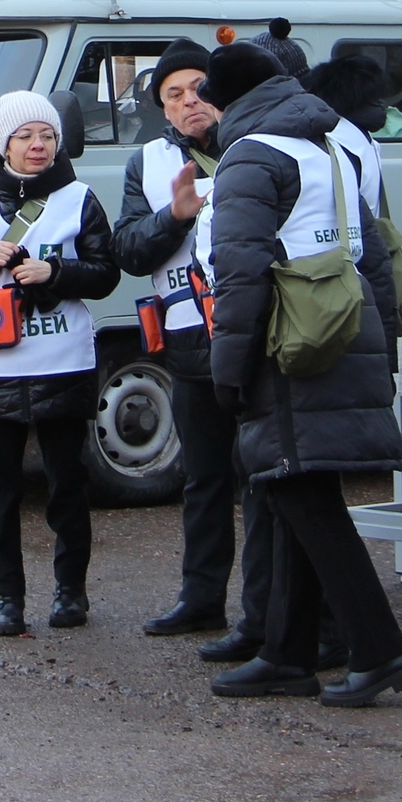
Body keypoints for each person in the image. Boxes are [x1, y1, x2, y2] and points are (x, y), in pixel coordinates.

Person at [202, 42, 402, 707]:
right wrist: (381, 350)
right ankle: (286, 653)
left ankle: (381, 650)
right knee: (293, 485)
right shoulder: (330, 145)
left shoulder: (249, 156)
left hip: (288, 344)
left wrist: (228, 369)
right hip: (345, 330)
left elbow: (239, 275)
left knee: (307, 499)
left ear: (227, 100)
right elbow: (375, 253)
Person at [0, 91, 120, 637]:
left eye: (48, 137)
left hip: (63, 356)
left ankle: (70, 592)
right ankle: (6, 597)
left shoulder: (79, 197)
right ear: (4, 143)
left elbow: (106, 272)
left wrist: (54, 273)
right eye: (26, 136)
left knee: (67, 481)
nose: (38, 146)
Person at [115, 39, 257, 647]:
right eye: (173, 95)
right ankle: (201, 600)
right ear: (162, 109)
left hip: (252, 335)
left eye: (197, 89)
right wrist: (172, 216)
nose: (188, 102)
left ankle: (263, 611)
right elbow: (125, 250)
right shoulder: (147, 162)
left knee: (261, 481)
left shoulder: (252, 147)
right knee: (203, 479)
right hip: (188, 338)